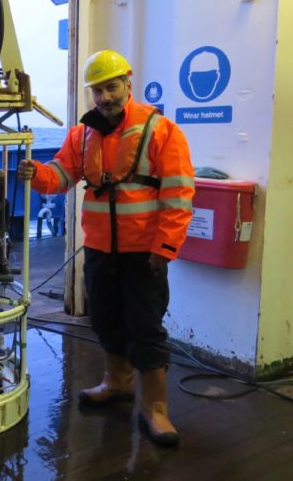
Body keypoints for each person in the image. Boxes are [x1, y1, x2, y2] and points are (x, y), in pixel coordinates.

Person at [18, 49, 194, 447]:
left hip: (143, 252)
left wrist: (165, 246)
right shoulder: (82, 135)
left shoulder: (161, 131)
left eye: (111, 87)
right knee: (106, 319)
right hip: (99, 248)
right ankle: (116, 383)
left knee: (146, 329)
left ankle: (156, 409)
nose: (104, 97)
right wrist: (37, 174)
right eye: (97, 91)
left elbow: (179, 195)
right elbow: (62, 175)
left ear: (128, 82)